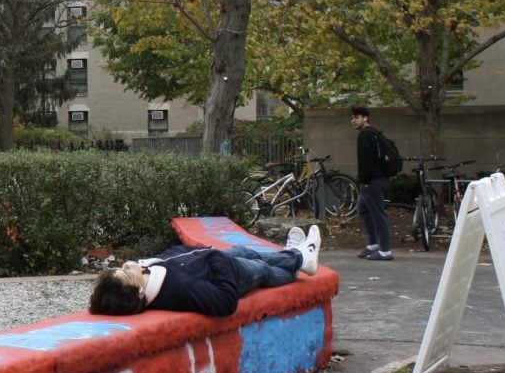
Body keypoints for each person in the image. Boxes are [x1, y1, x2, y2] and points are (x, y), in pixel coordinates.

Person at [88, 225, 321, 317]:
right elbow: (225, 303)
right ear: (139, 292)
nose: (127, 265)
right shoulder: (179, 288)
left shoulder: (147, 273)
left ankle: (292, 255)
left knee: (245, 250)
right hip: (230, 272)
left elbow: (174, 255)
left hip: (213, 261)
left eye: (121, 268)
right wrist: (217, 258)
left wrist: (208, 254)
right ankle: (300, 258)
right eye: (127, 274)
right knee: (263, 270)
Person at [352, 106, 394, 261]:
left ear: (365, 118)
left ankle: (385, 250)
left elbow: (366, 160)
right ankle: (373, 244)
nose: (353, 121)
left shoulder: (365, 135)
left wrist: (366, 180)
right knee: (363, 209)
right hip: (377, 178)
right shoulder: (374, 134)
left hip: (372, 181)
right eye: (352, 118)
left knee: (377, 214)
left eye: (356, 117)